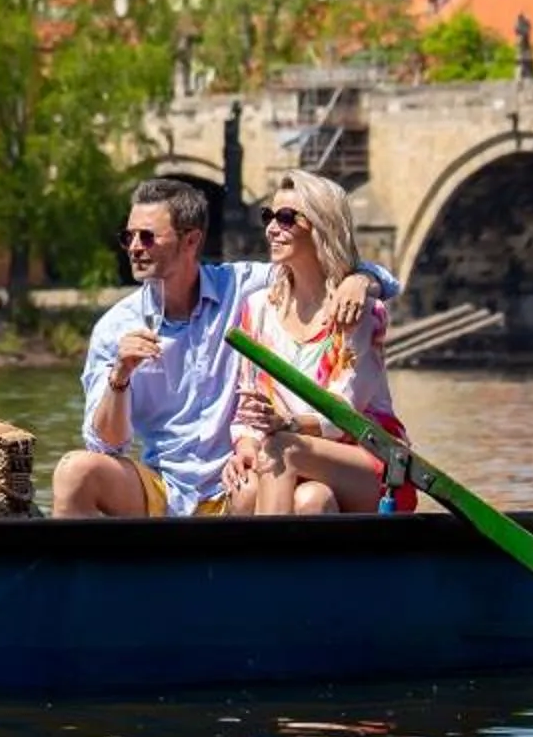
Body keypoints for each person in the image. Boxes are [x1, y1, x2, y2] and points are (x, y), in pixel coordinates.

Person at [55, 177, 397, 518]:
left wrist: (362, 280)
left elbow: (328, 270)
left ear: (191, 241)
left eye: (147, 237)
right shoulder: (117, 328)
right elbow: (106, 446)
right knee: (75, 472)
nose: (134, 247)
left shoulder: (242, 288)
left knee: (304, 494)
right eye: (128, 237)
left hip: (246, 479)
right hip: (164, 486)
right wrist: (121, 376)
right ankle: (73, 572)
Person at [225, 169, 414, 515]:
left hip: (370, 459)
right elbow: (247, 405)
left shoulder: (359, 311)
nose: (271, 228)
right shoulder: (257, 308)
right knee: (290, 496)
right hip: (290, 456)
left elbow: (344, 412)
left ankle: (265, 570)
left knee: (284, 449)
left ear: (322, 226)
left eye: (286, 218)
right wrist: (246, 444)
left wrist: (286, 426)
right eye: (269, 216)